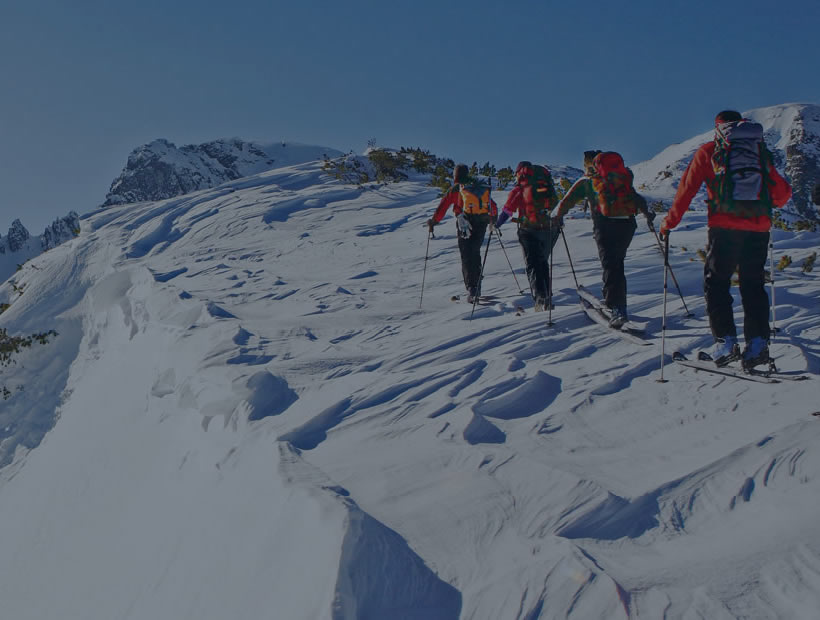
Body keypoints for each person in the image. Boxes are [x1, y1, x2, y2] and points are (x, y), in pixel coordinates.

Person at [660, 110, 792, 368]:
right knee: (753, 285)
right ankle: (757, 346)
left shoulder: (710, 151)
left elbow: (686, 191)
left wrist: (669, 223)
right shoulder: (758, 152)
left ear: (718, 128)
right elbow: (782, 195)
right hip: (758, 228)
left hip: (725, 228)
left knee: (717, 284)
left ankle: (725, 343)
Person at [550, 150, 655, 327]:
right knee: (616, 263)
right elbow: (635, 196)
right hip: (628, 225)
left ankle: (618, 308)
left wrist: (556, 217)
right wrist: (647, 214)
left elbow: (567, 201)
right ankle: (612, 300)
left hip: (605, 225)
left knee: (611, 264)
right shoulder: (622, 177)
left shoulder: (587, 182)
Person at [494, 161, 561, 311]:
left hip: (529, 230)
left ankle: (540, 299)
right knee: (542, 262)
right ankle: (547, 297)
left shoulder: (520, 189)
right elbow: (556, 205)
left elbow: (507, 211)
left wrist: (497, 225)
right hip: (549, 229)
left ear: (519, 173)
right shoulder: (546, 185)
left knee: (533, 264)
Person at [427, 164, 498, 302]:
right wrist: (493, 220)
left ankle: (472, 288)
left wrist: (433, 222)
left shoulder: (456, 189)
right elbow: (492, 205)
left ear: (455, 175)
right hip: (482, 222)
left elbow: (443, 206)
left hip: (464, 223)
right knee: (475, 252)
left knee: (466, 254)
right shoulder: (478, 186)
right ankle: (477, 284)